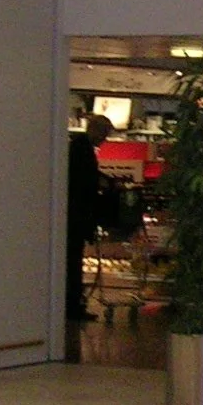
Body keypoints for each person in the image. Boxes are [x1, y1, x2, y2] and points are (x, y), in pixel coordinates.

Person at [65, 113, 112, 323]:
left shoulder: (78, 146)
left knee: (73, 261)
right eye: (104, 133)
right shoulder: (82, 150)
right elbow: (86, 182)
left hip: (75, 215)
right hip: (77, 216)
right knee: (73, 261)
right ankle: (73, 306)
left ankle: (73, 304)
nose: (105, 138)